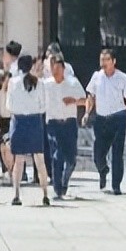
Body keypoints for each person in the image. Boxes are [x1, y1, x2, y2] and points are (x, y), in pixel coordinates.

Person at [84, 48, 126, 195]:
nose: (104, 63)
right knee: (98, 154)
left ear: (114, 61)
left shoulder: (122, 77)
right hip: (101, 119)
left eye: (107, 59)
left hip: (118, 118)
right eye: (102, 59)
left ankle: (116, 185)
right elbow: (90, 96)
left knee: (117, 152)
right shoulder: (96, 77)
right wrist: (86, 113)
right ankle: (103, 170)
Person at [6, 54, 50, 207]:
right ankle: (45, 194)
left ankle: (16, 194)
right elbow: (44, 105)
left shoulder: (12, 82)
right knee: (40, 159)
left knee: (18, 160)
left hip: (18, 121)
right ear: (31, 66)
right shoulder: (40, 83)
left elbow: (8, 106)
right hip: (34, 121)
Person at [44, 55, 85, 199]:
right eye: (52, 67)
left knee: (71, 158)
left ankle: (65, 181)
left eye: (58, 68)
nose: (55, 71)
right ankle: (57, 188)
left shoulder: (72, 83)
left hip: (69, 123)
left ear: (63, 69)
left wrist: (73, 100)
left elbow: (85, 100)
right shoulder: (46, 84)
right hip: (53, 124)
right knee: (57, 155)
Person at [0, 67, 12, 179]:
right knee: (1, 146)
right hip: (2, 120)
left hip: (11, 120)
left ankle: (12, 170)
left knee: (9, 146)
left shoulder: (13, 94)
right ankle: (4, 169)